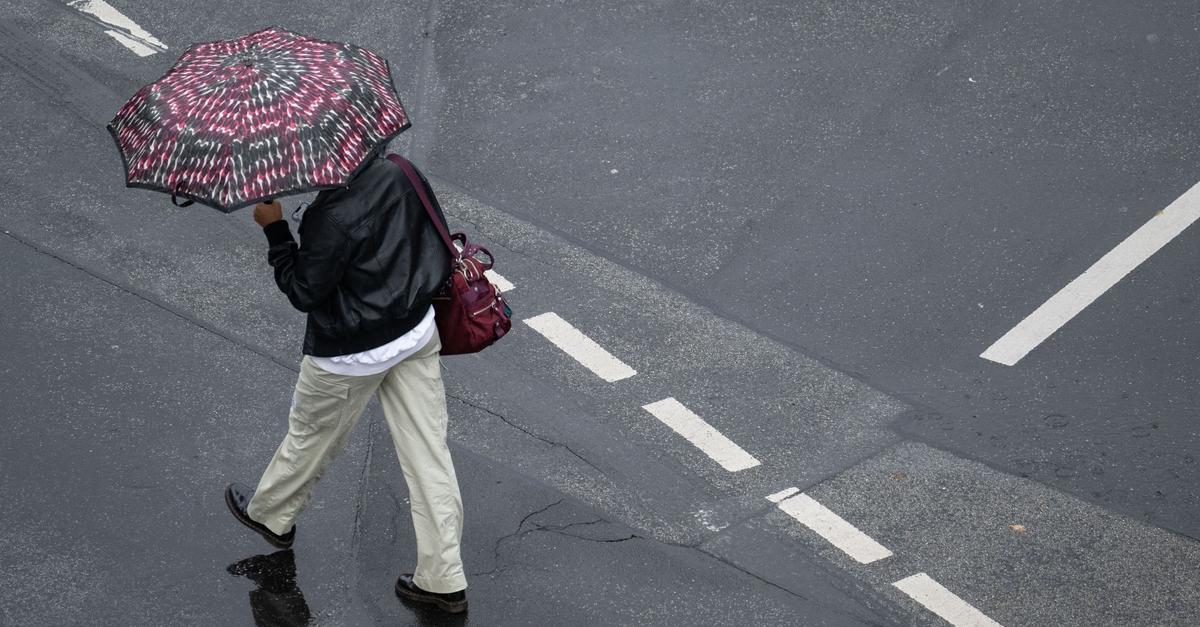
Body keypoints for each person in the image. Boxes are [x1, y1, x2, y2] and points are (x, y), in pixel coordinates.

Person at [223, 153, 469, 614]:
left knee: (311, 437)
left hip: (349, 354)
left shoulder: (328, 217)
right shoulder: (401, 170)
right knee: (430, 455)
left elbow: (304, 291)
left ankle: (272, 516)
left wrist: (275, 228)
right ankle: (443, 579)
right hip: (414, 333)